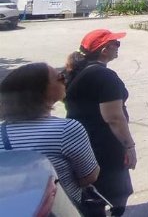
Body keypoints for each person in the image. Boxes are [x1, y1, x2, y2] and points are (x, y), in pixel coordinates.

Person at [1, 62, 100, 212]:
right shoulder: (66, 129)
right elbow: (89, 176)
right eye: (60, 77)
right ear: (41, 91)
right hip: (60, 210)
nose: (65, 80)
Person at [65, 29, 136, 217]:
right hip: (104, 144)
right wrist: (129, 146)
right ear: (104, 49)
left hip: (81, 141)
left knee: (91, 191)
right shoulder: (105, 77)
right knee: (115, 191)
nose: (118, 47)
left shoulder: (73, 72)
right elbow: (113, 117)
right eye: (116, 43)